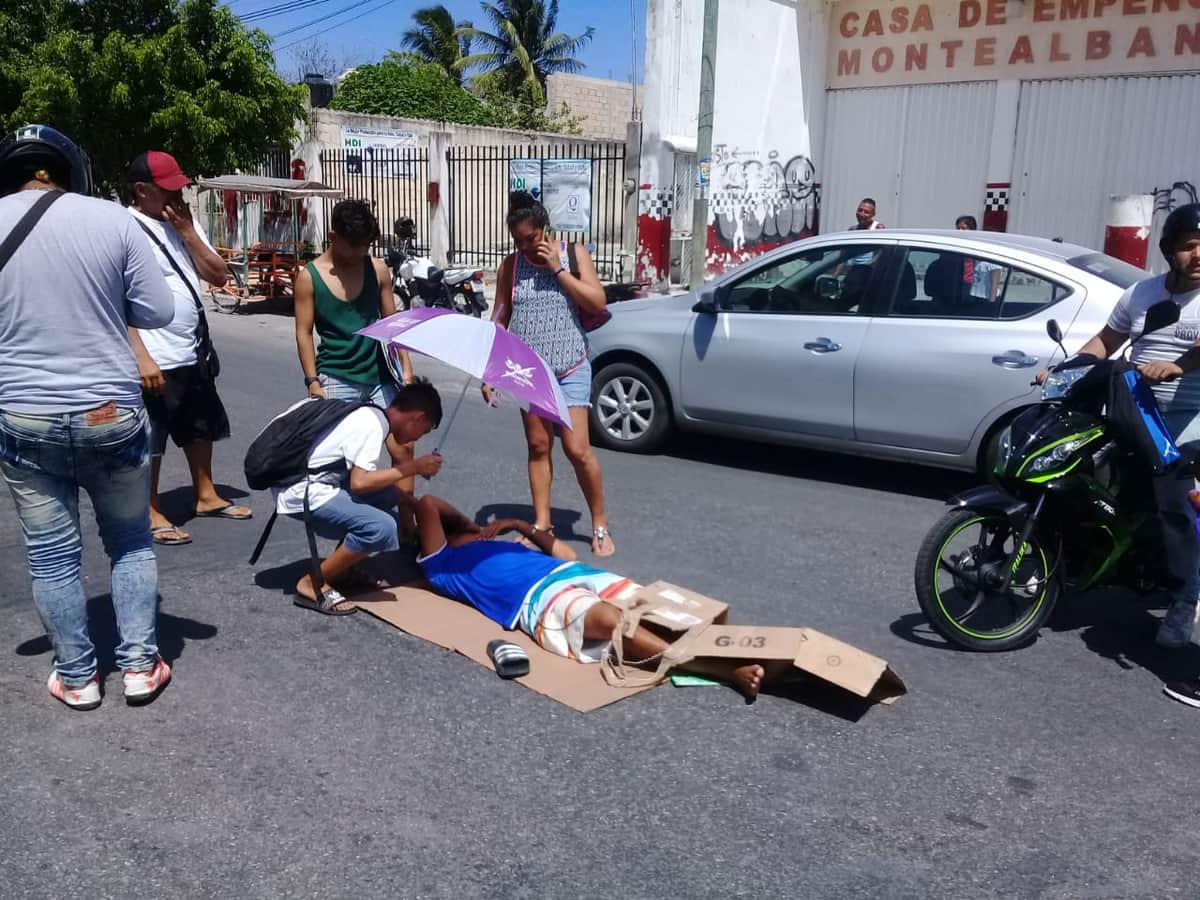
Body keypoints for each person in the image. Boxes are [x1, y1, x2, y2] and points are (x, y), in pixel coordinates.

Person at [0, 125, 175, 709]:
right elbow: (158, 308)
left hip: (24, 414)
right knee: (129, 540)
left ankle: (76, 677)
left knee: (52, 553)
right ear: (69, 168)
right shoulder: (113, 220)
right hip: (109, 411)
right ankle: (139, 668)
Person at [1039, 204, 1200, 672]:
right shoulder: (1142, 293)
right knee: (1090, 475)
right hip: (1136, 406)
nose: (1198, 255)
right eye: (1189, 246)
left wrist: (1180, 365)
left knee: (1177, 499)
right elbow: (1106, 342)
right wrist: (1067, 369)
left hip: (1191, 414)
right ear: (1170, 251)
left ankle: (1185, 598)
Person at [414, 494, 768, 700]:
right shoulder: (442, 566)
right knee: (613, 622)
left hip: (571, 574)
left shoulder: (502, 547)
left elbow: (568, 556)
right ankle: (720, 669)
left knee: (649, 604)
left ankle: (730, 647)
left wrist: (521, 527)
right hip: (537, 600)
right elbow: (427, 503)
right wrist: (469, 526)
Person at [125, 151, 251, 547]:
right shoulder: (124, 228)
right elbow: (116, 298)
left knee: (200, 428)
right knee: (152, 437)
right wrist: (141, 355)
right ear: (141, 190)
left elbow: (218, 274)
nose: (178, 195)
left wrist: (188, 233)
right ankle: (148, 508)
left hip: (192, 350)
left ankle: (206, 495)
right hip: (153, 355)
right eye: (168, 189)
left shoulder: (183, 222)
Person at [483, 191, 615, 557]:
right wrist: (491, 371)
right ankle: (542, 523)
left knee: (577, 449)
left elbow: (596, 301)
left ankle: (599, 522)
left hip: (571, 364)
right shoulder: (511, 266)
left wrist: (558, 267)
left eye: (531, 238)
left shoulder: (575, 254)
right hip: (530, 373)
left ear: (545, 229)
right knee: (539, 446)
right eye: (518, 240)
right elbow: (500, 319)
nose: (525, 246)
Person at [294, 199, 417, 532]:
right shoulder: (308, 278)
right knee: (346, 464)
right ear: (333, 236)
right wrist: (312, 381)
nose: (360, 252)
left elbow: (393, 322)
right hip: (335, 376)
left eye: (366, 245)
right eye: (354, 246)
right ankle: (353, 534)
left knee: (404, 447)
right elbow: (304, 333)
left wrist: (405, 369)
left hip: (380, 375)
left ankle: (408, 524)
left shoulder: (376, 268)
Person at [272, 379, 444, 615]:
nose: (418, 439)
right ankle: (312, 582)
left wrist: (413, 503)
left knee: (391, 494)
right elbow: (360, 483)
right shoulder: (372, 425)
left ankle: (342, 570)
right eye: (423, 431)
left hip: (305, 481)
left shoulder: (370, 413)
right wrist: (414, 467)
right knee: (383, 528)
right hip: (302, 490)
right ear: (418, 417)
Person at [955, 215, 1002, 302]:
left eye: (963, 228)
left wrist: (992, 300)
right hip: (965, 286)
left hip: (981, 291)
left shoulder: (978, 248)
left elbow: (995, 277)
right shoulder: (957, 247)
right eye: (958, 228)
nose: (960, 231)